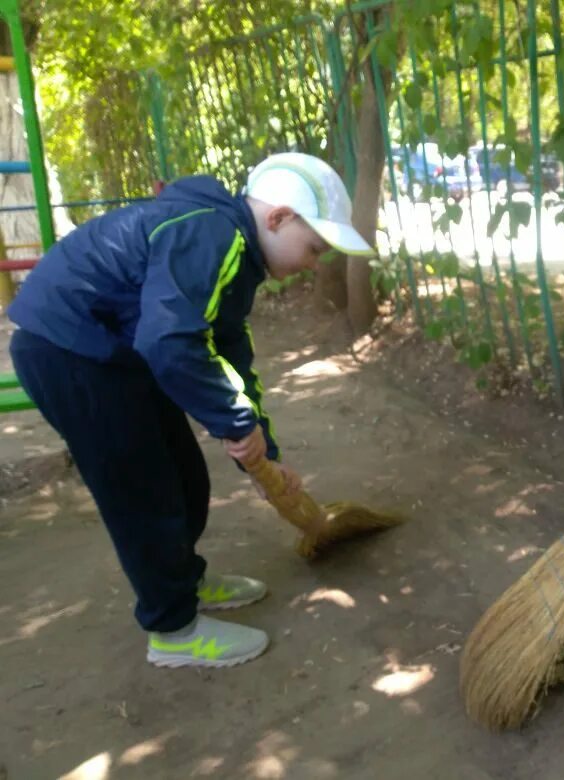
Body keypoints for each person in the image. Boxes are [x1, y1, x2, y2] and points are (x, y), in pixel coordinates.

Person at [8, 152, 373, 668]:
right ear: (278, 217)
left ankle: (188, 580)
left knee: (184, 478)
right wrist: (232, 420)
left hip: (116, 352)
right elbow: (170, 341)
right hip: (70, 353)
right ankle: (173, 630)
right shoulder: (213, 236)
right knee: (144, 493)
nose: (313, 264)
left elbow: (229, 354)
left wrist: (262, 442)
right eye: (313, 249)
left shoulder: (236, 257)